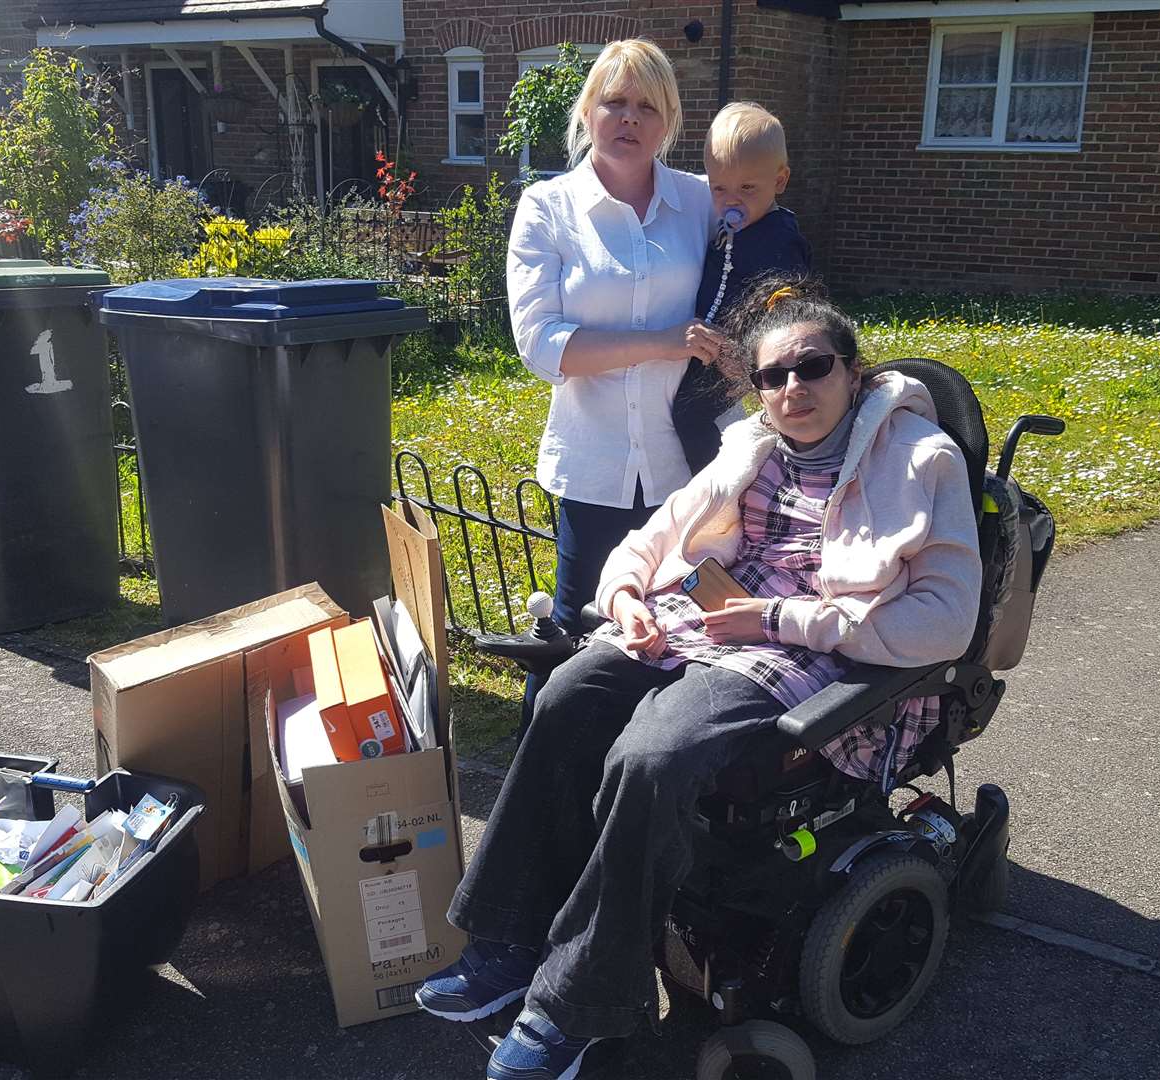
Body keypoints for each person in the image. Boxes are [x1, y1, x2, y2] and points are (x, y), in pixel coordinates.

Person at [417, 275, 983, 1080]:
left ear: (853, 372)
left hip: (811, 646)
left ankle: (577, 1006)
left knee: (650, 756)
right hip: (705, 618)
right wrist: (622, 595)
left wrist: (781, 620)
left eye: (813, 366)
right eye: (772, 376)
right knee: (568, 697)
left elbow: (946, 619)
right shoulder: (748, 446)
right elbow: (654, 539)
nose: (793, 389)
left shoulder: (921, 459)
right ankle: (508, 944)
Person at [502, 39, 730, 729]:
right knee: (579, 631)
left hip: (689, 462)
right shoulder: (549, 208)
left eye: (647, 107)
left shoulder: (699, 202)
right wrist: (662, 342)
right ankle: (545, 793)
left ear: (669, 122)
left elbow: (754, 280)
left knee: (684, 626)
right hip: (595, 463)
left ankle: (648, 786)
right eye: (615, 102)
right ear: (588, 111)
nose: (628, 119)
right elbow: (541, 344)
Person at [672, 102, 813, 474]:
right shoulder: (729, 227)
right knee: (693, 410)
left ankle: (724, 483)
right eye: (719, 188)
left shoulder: (779, 236)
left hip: (746, 352)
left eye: (747, 188)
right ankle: (732, 471)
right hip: (711, 347)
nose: (732, 200)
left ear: (779, 181)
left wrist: (754, 354)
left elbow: (790, 302)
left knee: (691, 413)